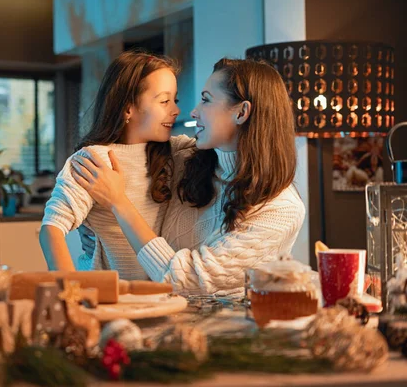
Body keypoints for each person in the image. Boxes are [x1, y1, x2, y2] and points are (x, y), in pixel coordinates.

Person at [71, 58, 306, 296]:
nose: (193, 111)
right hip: (157, 316)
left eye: (206, 100)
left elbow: (187, 280)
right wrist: (93, 219)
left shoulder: (281, 210)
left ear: (242, 112)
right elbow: (122, 151)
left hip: (225, 330)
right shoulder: (184, 158)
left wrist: (119, 204)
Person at [39, 50, 194, 280]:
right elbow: (50, 230)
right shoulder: (94, 160)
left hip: (160, 295)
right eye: (164, 101)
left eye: (175, 100)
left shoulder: (177, 152)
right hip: (105, 296)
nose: (176, 110)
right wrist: (70, 293)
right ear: (127, 108)